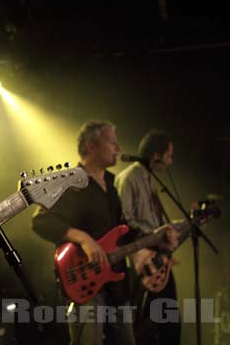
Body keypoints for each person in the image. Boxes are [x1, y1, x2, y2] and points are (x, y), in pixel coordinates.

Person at [32, 120, 177, 345]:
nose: (118, 149)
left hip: (117, 283)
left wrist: (158, 240)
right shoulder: (69, 181)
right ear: (92, 146)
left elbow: (123, 229)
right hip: (84, 281)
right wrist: (83, 238)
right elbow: (41, 220)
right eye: (112, 143)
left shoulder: (112, 182)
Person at [115, 129, 180, 345]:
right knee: (145, 325)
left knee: (169, 323)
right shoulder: (129, 178)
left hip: (157, 260)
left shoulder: (149, 181)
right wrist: (153, 236)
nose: (170, 162)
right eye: (169, 156)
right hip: (140, 263)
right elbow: (123, 222)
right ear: (156, 156)